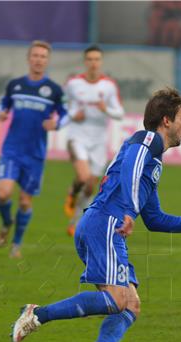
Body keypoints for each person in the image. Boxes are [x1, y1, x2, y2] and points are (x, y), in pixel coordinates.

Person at [10, 88, 181, 342]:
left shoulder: (155, 162)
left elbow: (154, 219)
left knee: (131, 304)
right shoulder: (146, 140)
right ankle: (37, 314)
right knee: (116, 301)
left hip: (104, 225)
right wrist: (127, 209)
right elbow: (131, 172)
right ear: (166, 120)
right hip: (106, 224)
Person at [0, 40, 68, 259]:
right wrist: (1, 112)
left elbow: (65, 114)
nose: (39, 60)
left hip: (35, 155)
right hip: (12, 150)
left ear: (47, 61)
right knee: (3, 193)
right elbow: (4, 103)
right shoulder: (15, 85)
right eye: (35, 55)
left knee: (25, 201)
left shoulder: (53, 90)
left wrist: (57, 124)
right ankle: (7, 221)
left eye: (43, 56)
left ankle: (16, 245)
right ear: (29, 59)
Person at [62, 45, 125, 237]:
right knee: (83, 177)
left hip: (98, 141)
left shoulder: (108, 86)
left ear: (101, 62)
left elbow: (120, 113)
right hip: (77, 136)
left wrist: (106, 109)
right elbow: (64, 106)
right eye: (90, 59)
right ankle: (72, 192)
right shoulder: (73, 84)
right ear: (85, 62)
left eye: (97, 59)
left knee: (90, 186)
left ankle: (75, 222)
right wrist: (74, 114)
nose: (93, 63)